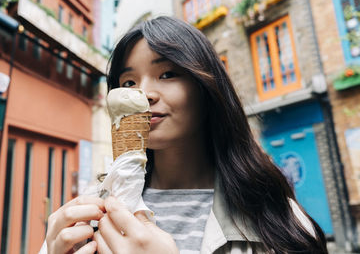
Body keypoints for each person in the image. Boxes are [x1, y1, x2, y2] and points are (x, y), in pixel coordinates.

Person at [43, 16, 327, 254]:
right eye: (129, 81)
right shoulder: (90, 209)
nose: (144, 93)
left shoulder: (277, 217)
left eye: (167, 74)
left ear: (206, 88)